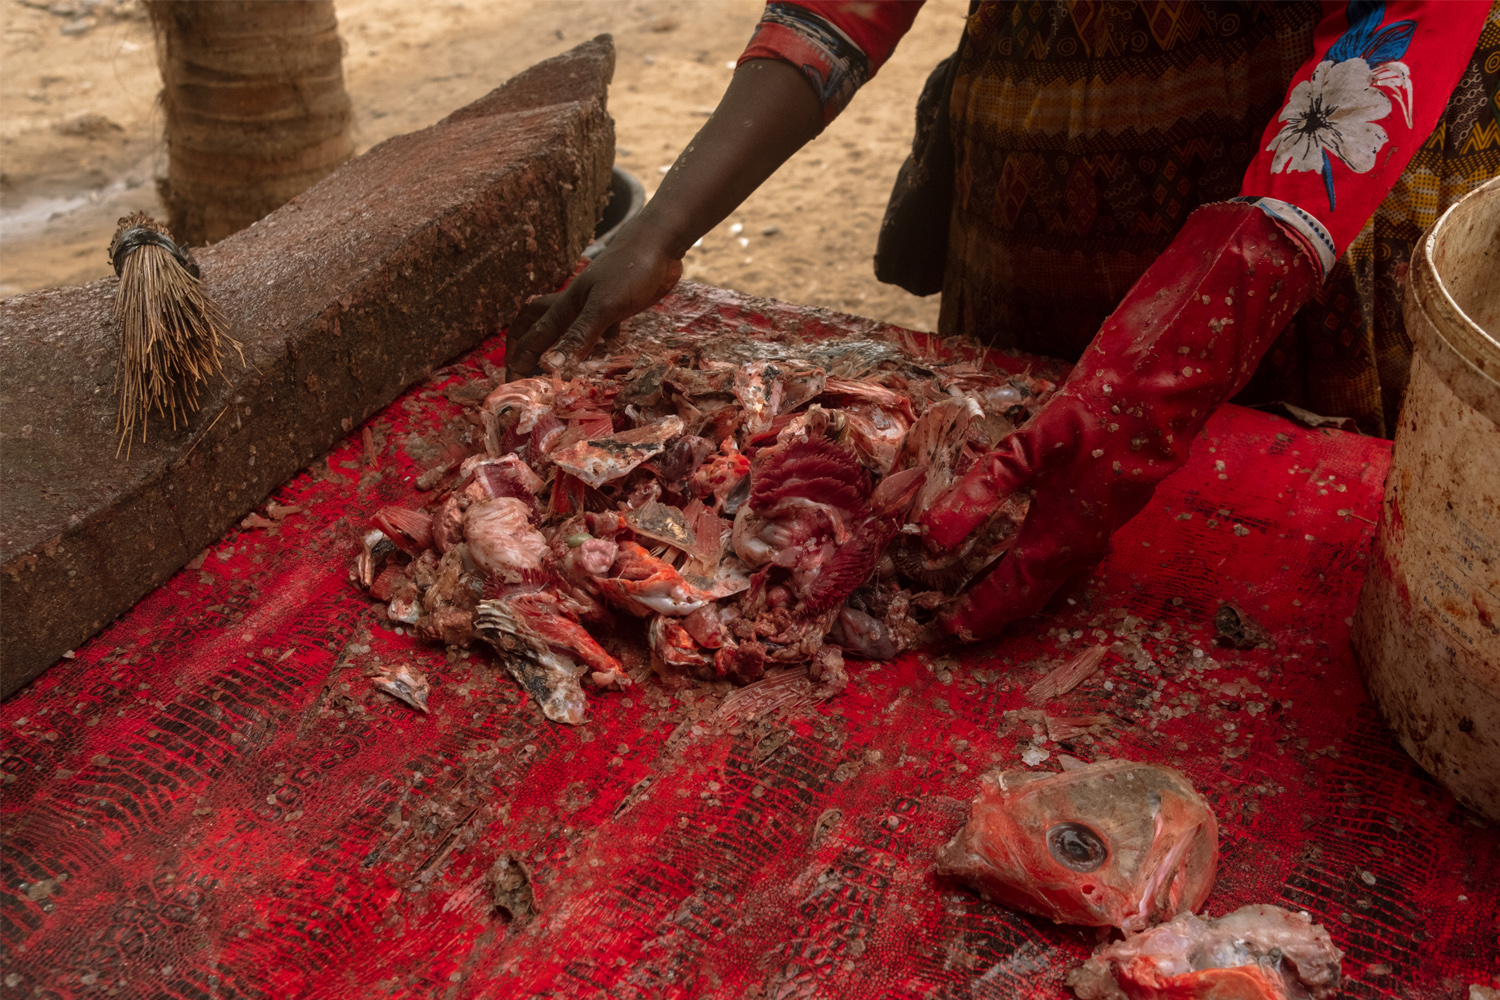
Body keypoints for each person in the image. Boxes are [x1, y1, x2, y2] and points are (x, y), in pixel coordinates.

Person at [504, 0, 1498, 641]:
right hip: (1047, 139)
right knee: (973, 487)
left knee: (1262, 541)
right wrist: (666, 222)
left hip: (1299, 166)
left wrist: (1149, 388)